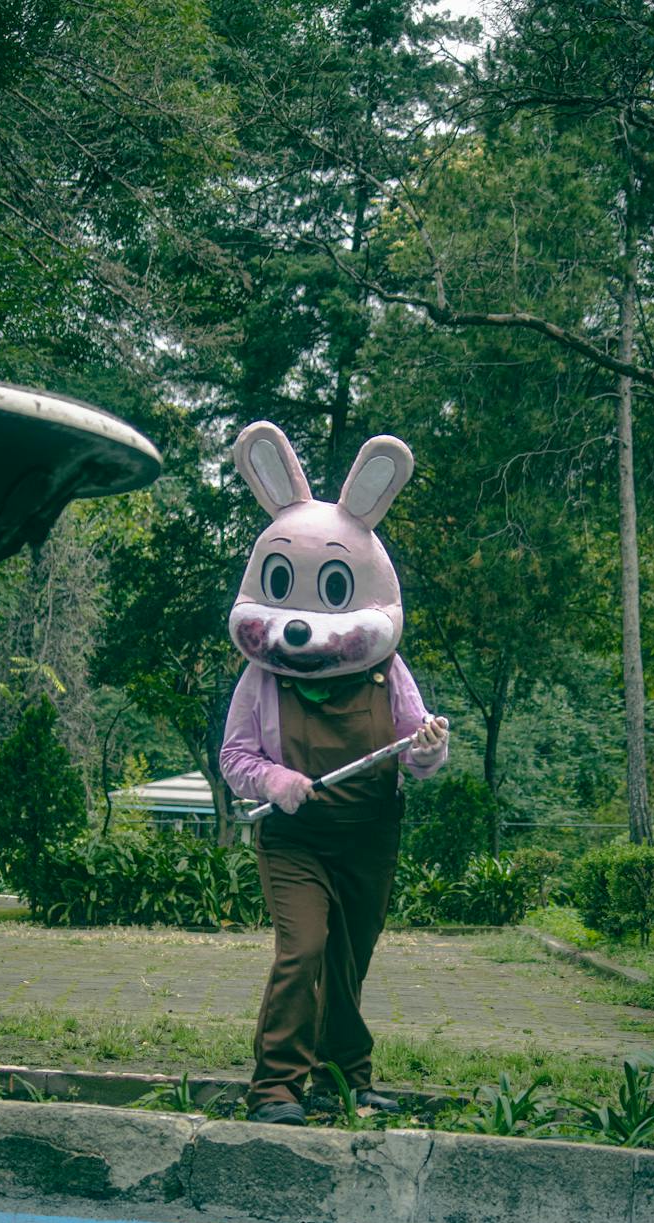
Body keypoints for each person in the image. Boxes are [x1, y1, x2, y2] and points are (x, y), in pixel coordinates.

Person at [220, 421, 448, 1125]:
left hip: (371, 833)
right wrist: (276, 783)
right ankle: (276, 1088)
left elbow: (415, 747)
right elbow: (235, 759)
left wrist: (431, 744)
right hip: (296, 841)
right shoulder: (261, 677)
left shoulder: (387, 668)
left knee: (349, 959)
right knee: (305, 949)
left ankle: (345, 1079)